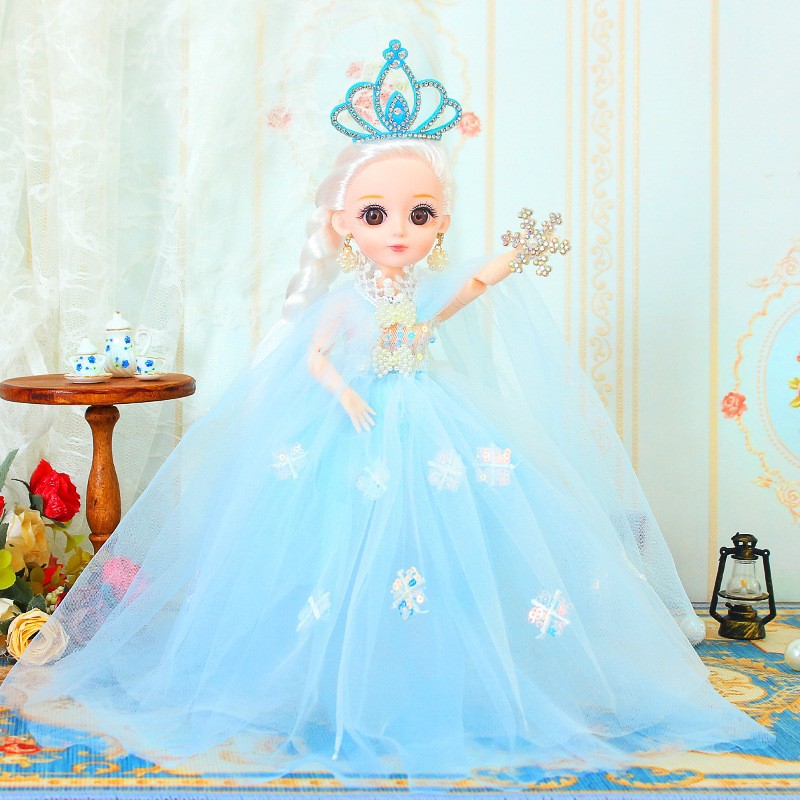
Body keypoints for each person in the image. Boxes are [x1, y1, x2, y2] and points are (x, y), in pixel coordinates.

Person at [0, 39, 770, 786]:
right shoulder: (343, 297)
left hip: (434, 415)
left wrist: (513, 257)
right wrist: (342, 393)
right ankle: (335, 671)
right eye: (375, 214)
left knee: (445, 533)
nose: (398, 230)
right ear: (343, 222)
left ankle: (442, 664)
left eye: (419, 213)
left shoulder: (423, 289)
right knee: (340, 540)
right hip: (354, 419)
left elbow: (468, 289)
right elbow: (317, 356)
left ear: (440, 222)